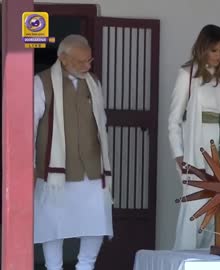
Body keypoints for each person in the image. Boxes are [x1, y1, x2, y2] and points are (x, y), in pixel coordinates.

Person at [33, 34, 113, 270]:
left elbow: (102, 122)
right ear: (63, 59)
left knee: (96, 221)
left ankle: (85, 266)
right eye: (81, 62)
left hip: (91, 167)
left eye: (89, 60)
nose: (87, 66)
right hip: (55, 169)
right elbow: (29, 125)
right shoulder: (42, 81)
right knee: (53, 224)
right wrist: (29, 164)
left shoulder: (93, 82)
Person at [168, 24, 220, 250]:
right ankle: (185, 258)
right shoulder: (187, 75)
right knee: (195, 208)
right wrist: (179, 155)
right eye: (213, 50)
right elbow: (174, 120)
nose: (218, 56)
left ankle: (213, 256)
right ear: (203, 48)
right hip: (196, 154)